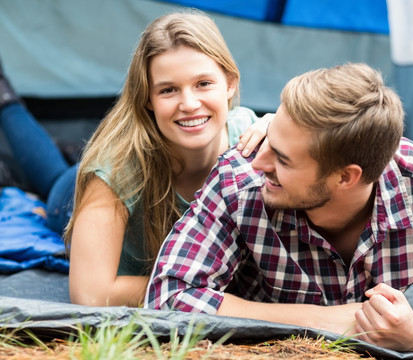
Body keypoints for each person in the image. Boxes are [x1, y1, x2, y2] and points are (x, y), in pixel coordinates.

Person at [145, 62, 413, 351]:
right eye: (269, 138)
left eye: (282, 158)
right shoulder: (238, 181)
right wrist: (333, 321)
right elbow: (170, 298)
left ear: (346, 177)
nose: (258, 162)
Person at [0, 10, 268, 307]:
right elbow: (90, 294)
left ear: (229, 83)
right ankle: (6, 101)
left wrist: (286, 129)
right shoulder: (115, 170)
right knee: (54, 181)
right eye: (168, 90)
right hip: (71, 195)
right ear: (147, 99)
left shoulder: (252, 138)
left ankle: (69, 149)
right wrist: (197, 291)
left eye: (203, 83)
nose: (190, 104)